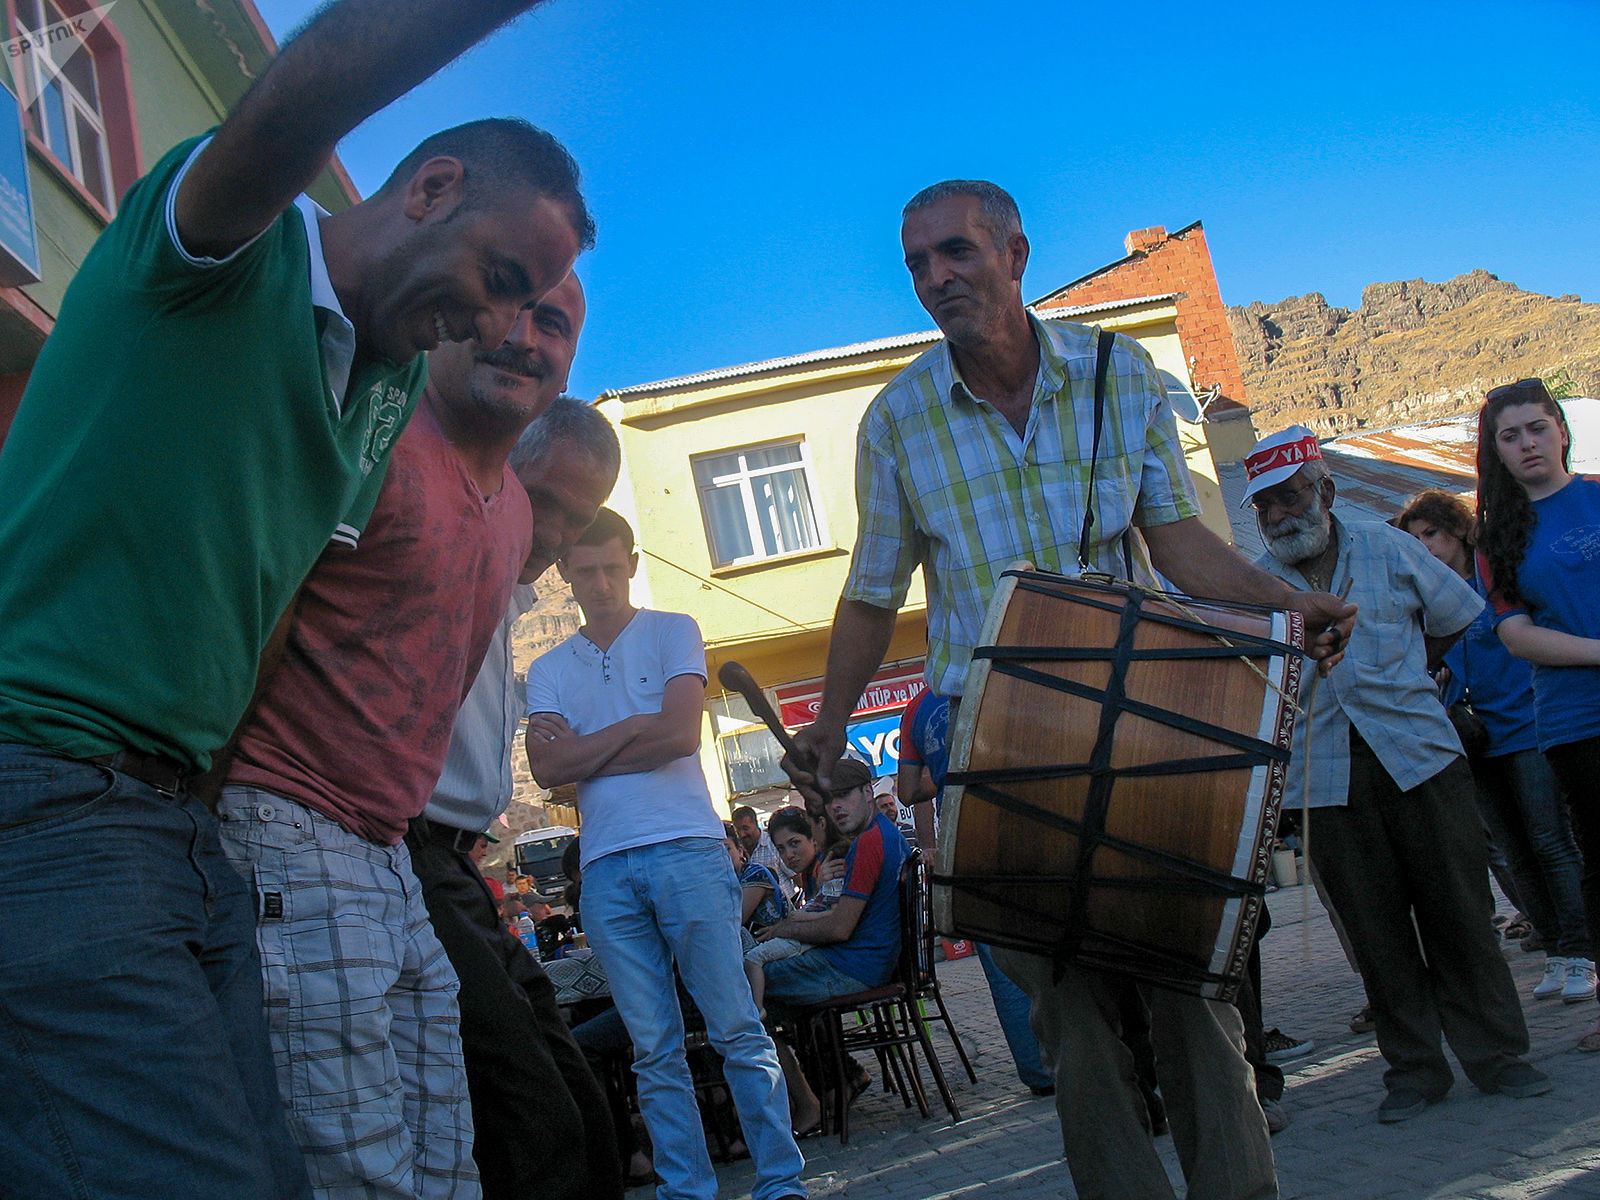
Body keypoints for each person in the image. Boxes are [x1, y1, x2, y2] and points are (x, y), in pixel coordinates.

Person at [0, 2, 585, 1195]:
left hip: (177, 816)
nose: (493, 325)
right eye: (499, 278)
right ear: (429, 190)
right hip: (45, 776)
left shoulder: (382, 384)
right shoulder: (228, 249)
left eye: (535, 305)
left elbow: (270, 616)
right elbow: (309, 89)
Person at [783, 180, 1352, 1200]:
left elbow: (1177, 544)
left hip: (1138, 728)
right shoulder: (896, 419)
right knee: (1071, 1017)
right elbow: (871, 593)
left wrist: (1284, 604)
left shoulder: (1118, 372)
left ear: (1015, 255)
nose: (935, 277)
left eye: (956, 251)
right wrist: (827, 724)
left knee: (1191, 985)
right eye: (916, 263)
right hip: (990, 743)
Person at [218, 262, 592, 1194]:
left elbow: (432, 703)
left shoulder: (504, 519)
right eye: (513, 304)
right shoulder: (377, 425)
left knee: (463, 1144)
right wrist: (213, 797)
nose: (526, 336)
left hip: (401, 850)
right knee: (392, 1145)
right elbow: (259, 612)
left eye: (554, 324)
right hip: (304, 820)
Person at [1247, 425, 1548, 1122]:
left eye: (1291, 497)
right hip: (1324, 779)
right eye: (1265, 506)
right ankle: (1414, 1071)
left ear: (1325, 490)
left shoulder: (1389, 547)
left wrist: (1411, 672)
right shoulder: (1254, 584)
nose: (1280, 516)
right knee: (1374, 932)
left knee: (1461, 914)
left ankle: (1498, 1057)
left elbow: (1456, 616)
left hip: (1420, 756)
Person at [524, 508, 807, 1200]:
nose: (600, 583)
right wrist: (634, 726)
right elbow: (545, 768)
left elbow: (681, 736)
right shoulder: (548, 668)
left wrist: (587, 751)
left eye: (610, 568)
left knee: (736, 1026)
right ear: (565, 574)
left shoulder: (673, 629)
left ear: (631, 563)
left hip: (687, 849)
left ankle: (781, 1181)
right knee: (653, 1049)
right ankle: (687, 1190)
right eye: (585, 571)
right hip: (606, 867)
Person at [409, 386, 627, 1199]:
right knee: (530, 1112)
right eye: (547, 503)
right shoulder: (451, 548)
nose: (559, 532)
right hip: (408, 854)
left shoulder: (513, 594)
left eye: (579, 517)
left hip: (456, 868)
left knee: (576, 1103)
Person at [1397, 488, 1592, 1002]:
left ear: (1457, 530)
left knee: (1550, 841)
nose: (1425, 547)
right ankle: (1555, 949)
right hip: (1475, 735)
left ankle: (1582, 951)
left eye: (1431, 533)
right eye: (1414, 540)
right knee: (1513, 852)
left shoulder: (1493, 578)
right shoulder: (1425, 599)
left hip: (1526, 723)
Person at [1476, 378, 1600, 1051]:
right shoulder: (1497, 538)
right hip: (1576, 720)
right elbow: (1518, 636)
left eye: (1536, 427)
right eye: (1510, 435)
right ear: (1495, 450)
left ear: (1561, 430)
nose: (1527, 443)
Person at [736, 803, 794, 881]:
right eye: (738, 830)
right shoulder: (738, 851)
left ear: (755, 824)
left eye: (745, 828)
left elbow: (796, 877)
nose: (742, 834)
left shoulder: (773, 843)